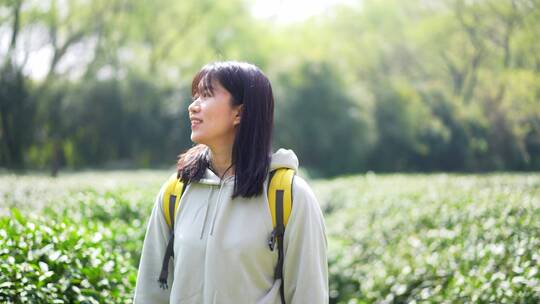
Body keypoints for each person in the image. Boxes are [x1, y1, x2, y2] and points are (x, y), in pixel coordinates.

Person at [133, 61, 328, 304]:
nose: (193, 107)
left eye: (206, 95)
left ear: (240, 113)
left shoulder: (290, 196)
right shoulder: (176, 191)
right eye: (195, 97)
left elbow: (309, 296)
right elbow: (150, 293)